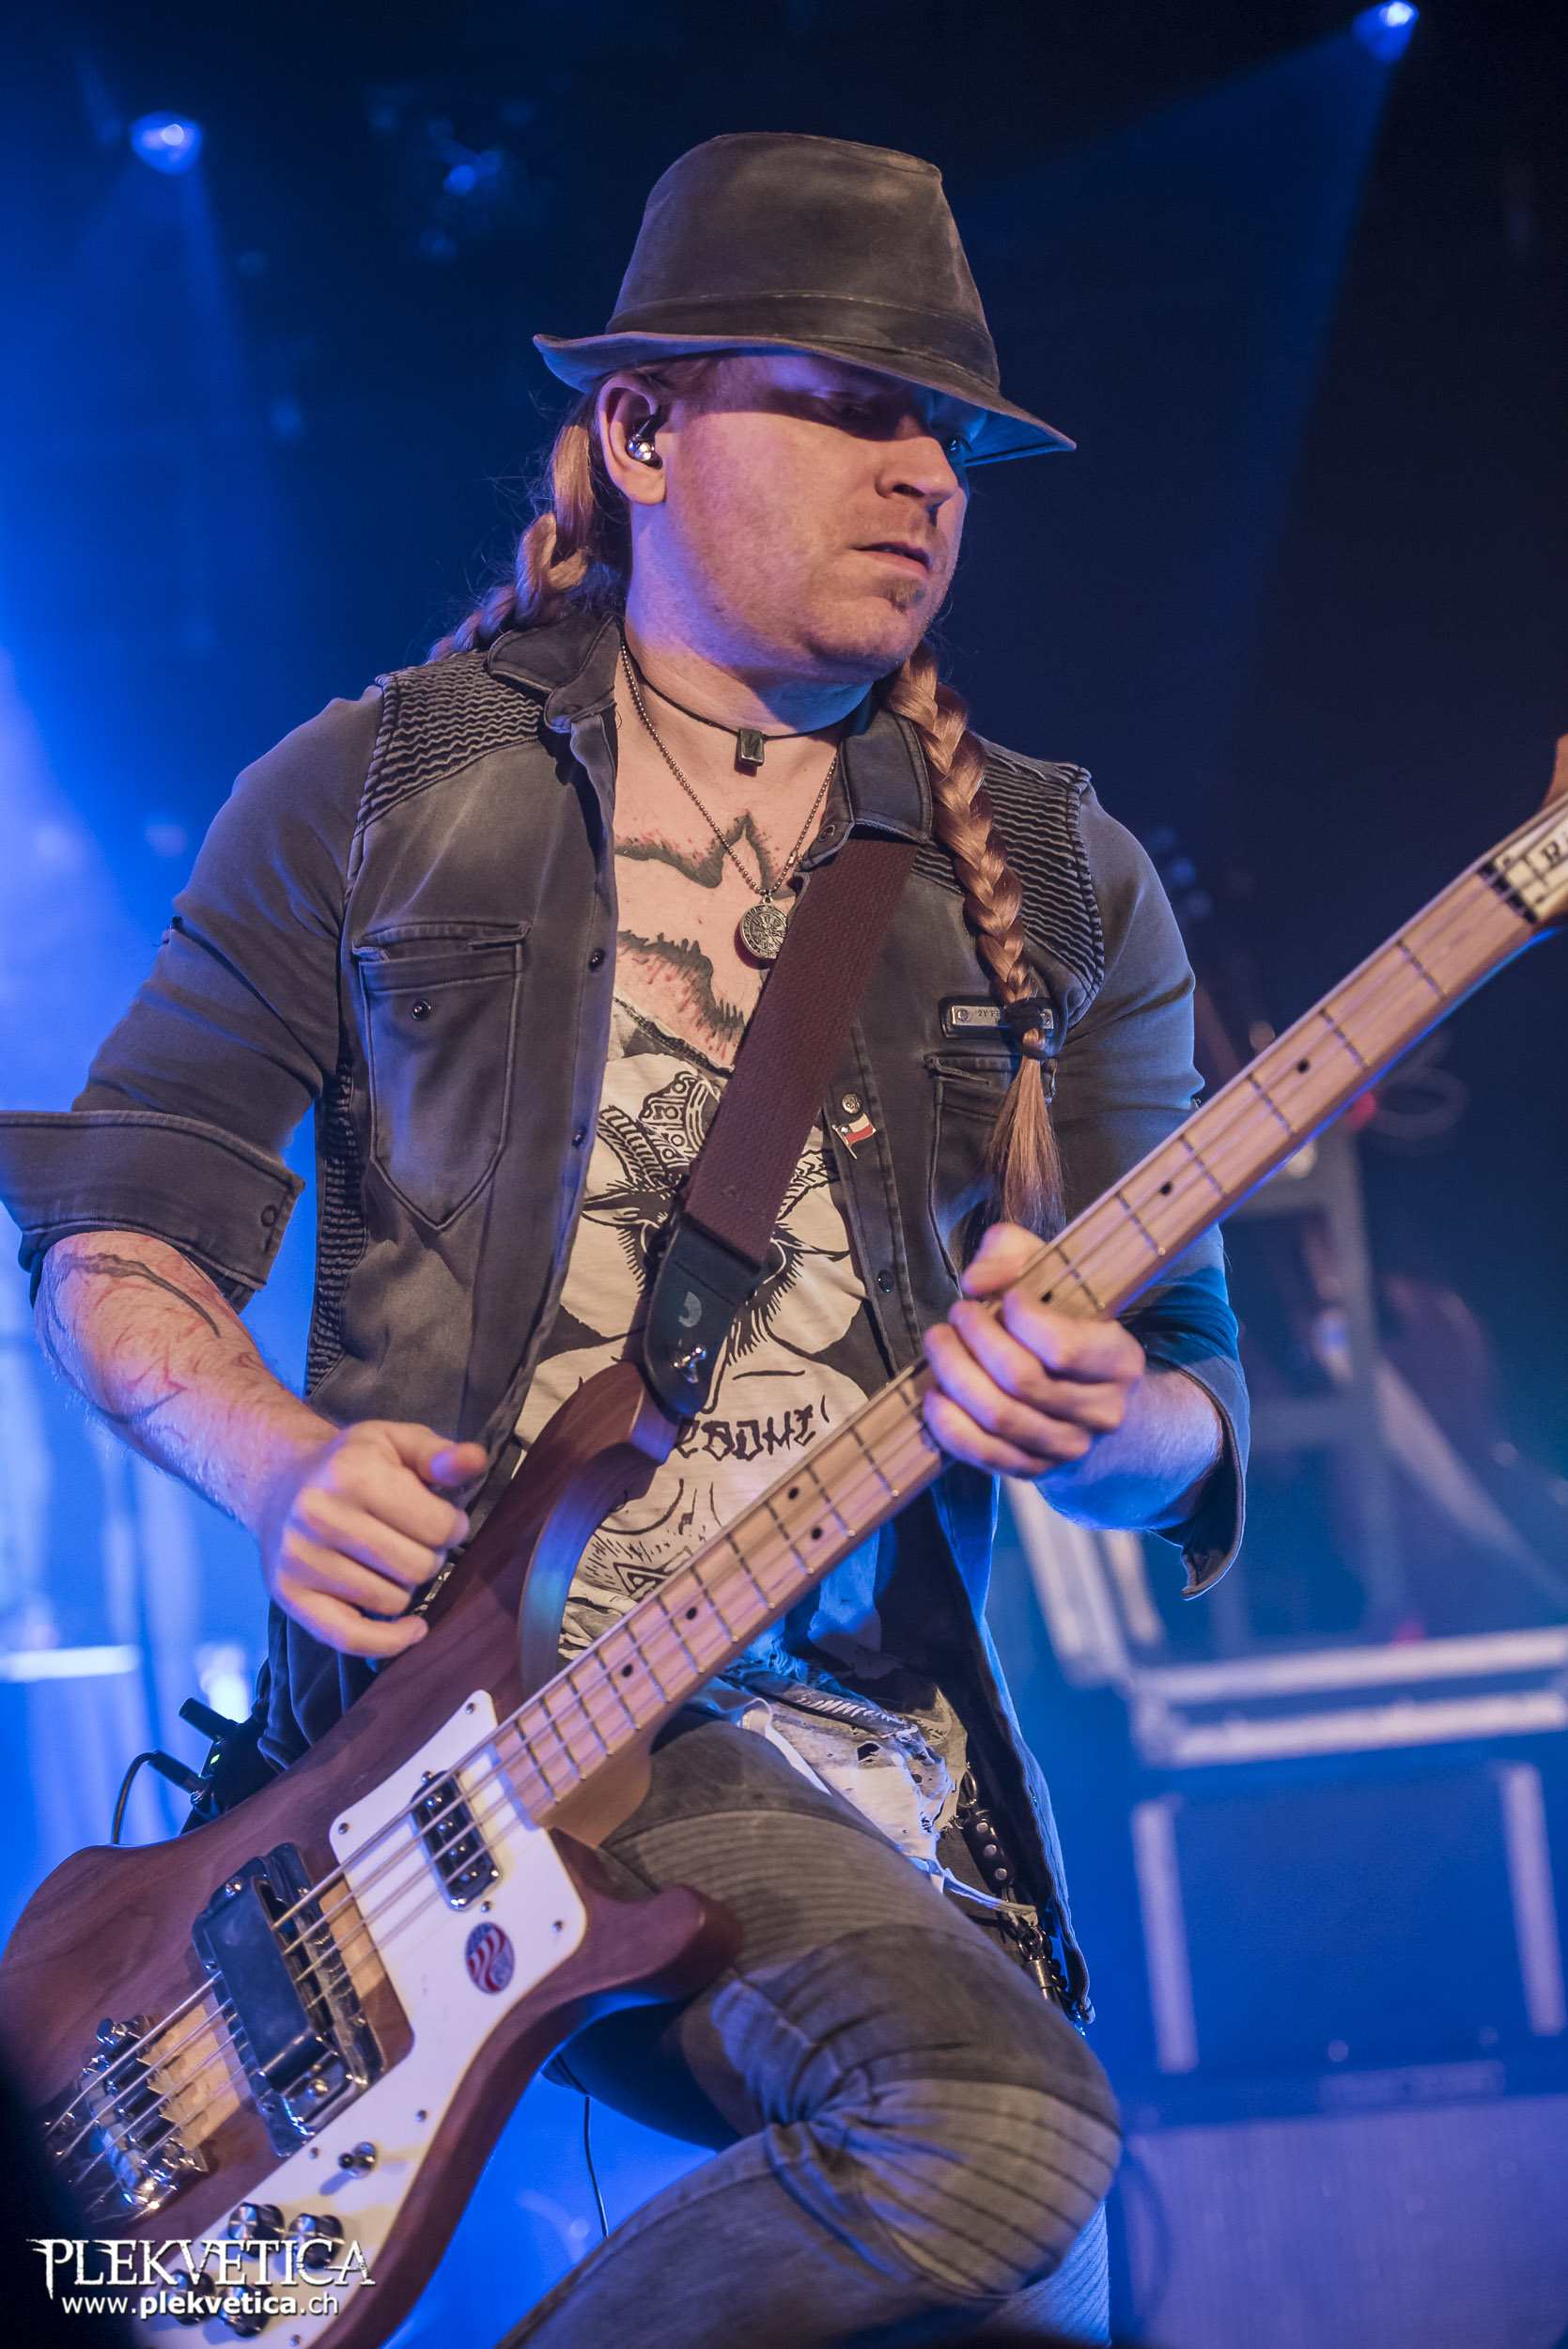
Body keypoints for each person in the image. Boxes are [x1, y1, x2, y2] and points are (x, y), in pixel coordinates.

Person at [0, 134, 1247, 2347]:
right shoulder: (377, 795)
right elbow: (119, 1223)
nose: (921, 472)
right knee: (990, 2128)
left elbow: (1191, 1410)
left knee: (1030, 2232)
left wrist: (1110, 1415)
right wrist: (278, 1465)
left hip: (891, 1768)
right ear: (644, 430)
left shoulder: (1063, 880)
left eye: (945, 431)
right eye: (848, 406)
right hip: (485, 1740)